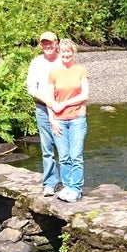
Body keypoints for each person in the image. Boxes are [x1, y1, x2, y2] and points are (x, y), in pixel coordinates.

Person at [44, 39, 89, 202]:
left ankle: (76, 189)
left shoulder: (80, 70)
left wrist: (64, 104)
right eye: (63, 52)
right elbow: (49, 99)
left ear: (73, 53)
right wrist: (52, 120)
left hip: (77, 119)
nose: (66, 54)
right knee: (63, 157)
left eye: (69, 51)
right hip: (59, 120)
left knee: (76, 156)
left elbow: (84, 95)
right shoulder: (54, 73)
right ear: (59, 53)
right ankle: (68, 186)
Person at [25, 31, 62, 196]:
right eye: (44, 43)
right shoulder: (36, 63)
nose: (47, 46)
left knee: (64, 148)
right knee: (47, 148)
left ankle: (68, 183)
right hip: (42, 108)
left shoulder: (63, 60)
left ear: (56, 43)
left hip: (63, 109)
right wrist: (48, 102)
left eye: (50, 43)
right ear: (41, 45)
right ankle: (50, 182)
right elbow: (31, 89)